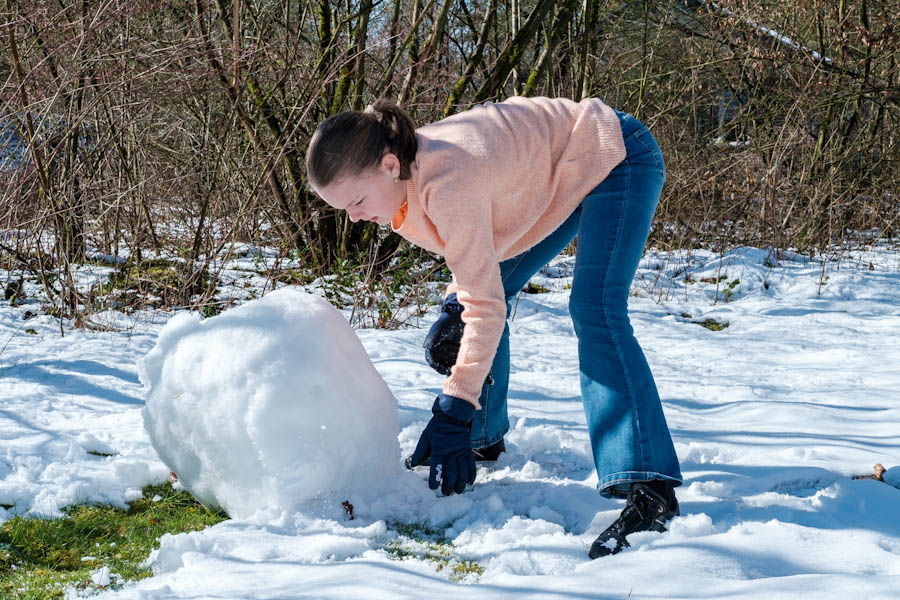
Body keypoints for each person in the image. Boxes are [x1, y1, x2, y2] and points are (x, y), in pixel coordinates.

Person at [305, 96, 683, 559]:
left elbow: (484, 302)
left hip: (611, 153)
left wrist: (454, 407)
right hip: (555, 174)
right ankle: (481, 438)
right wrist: (452, 309)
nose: (354, 216)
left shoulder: (446, 180)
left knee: (595, 307)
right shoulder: (407, 177)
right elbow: (477, 259)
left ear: (388, 165)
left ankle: (649, 486)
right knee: (467, 313)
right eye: (343, 208)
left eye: (357, 201)